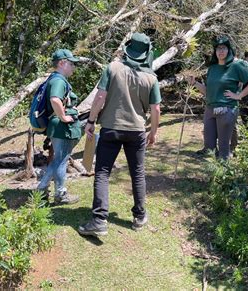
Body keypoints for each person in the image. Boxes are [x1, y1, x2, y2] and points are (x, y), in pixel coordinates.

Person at [78, 32, 161, 237]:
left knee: (103, 172)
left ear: (127, 49)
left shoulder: (113, 67)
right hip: (137, 131)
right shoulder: (151, 77)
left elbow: (100, 96)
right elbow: (156, 109)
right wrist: (153, 133)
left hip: (111, 127)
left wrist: (90, 121)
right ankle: (139, 216)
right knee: (137, 172)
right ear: (146, 53)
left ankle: (99, 219)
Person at [189, 36, 248, 160]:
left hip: (227, 109)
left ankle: (223, 173)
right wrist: (195, 83)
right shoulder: (212, 68)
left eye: (223, 48)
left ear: (229, 50)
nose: (221, 51)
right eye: (218, 49)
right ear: (215, 52)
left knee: (223, 149)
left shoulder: (236, 65)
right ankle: (215, 174)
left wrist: (239, 95)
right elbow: (208, 92)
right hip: (210, 109)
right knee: (209, 146)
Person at [36, 49, 81, 204]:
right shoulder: (59, 81)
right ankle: (60, 195)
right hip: (61, 126)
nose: (74, 67)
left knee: (58, 160)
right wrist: (63, 116)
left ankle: (41, 191)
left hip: (57, 126)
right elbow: (55, 99)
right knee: (61, 161)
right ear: (62, 63)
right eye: (72, 64)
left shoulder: (55, 79)